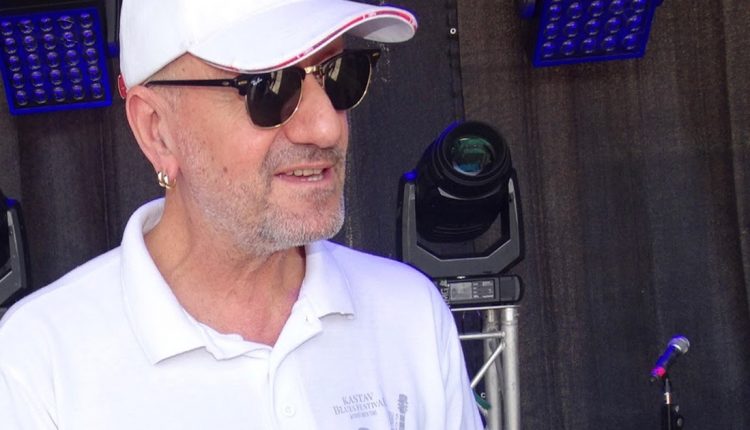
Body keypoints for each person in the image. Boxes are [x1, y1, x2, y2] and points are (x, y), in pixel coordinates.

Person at [0, 0, 483, 428]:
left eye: (341, 75)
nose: (326, 128)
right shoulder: (39, 367)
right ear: (157, 130)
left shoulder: (410, 316)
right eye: (268, 87)